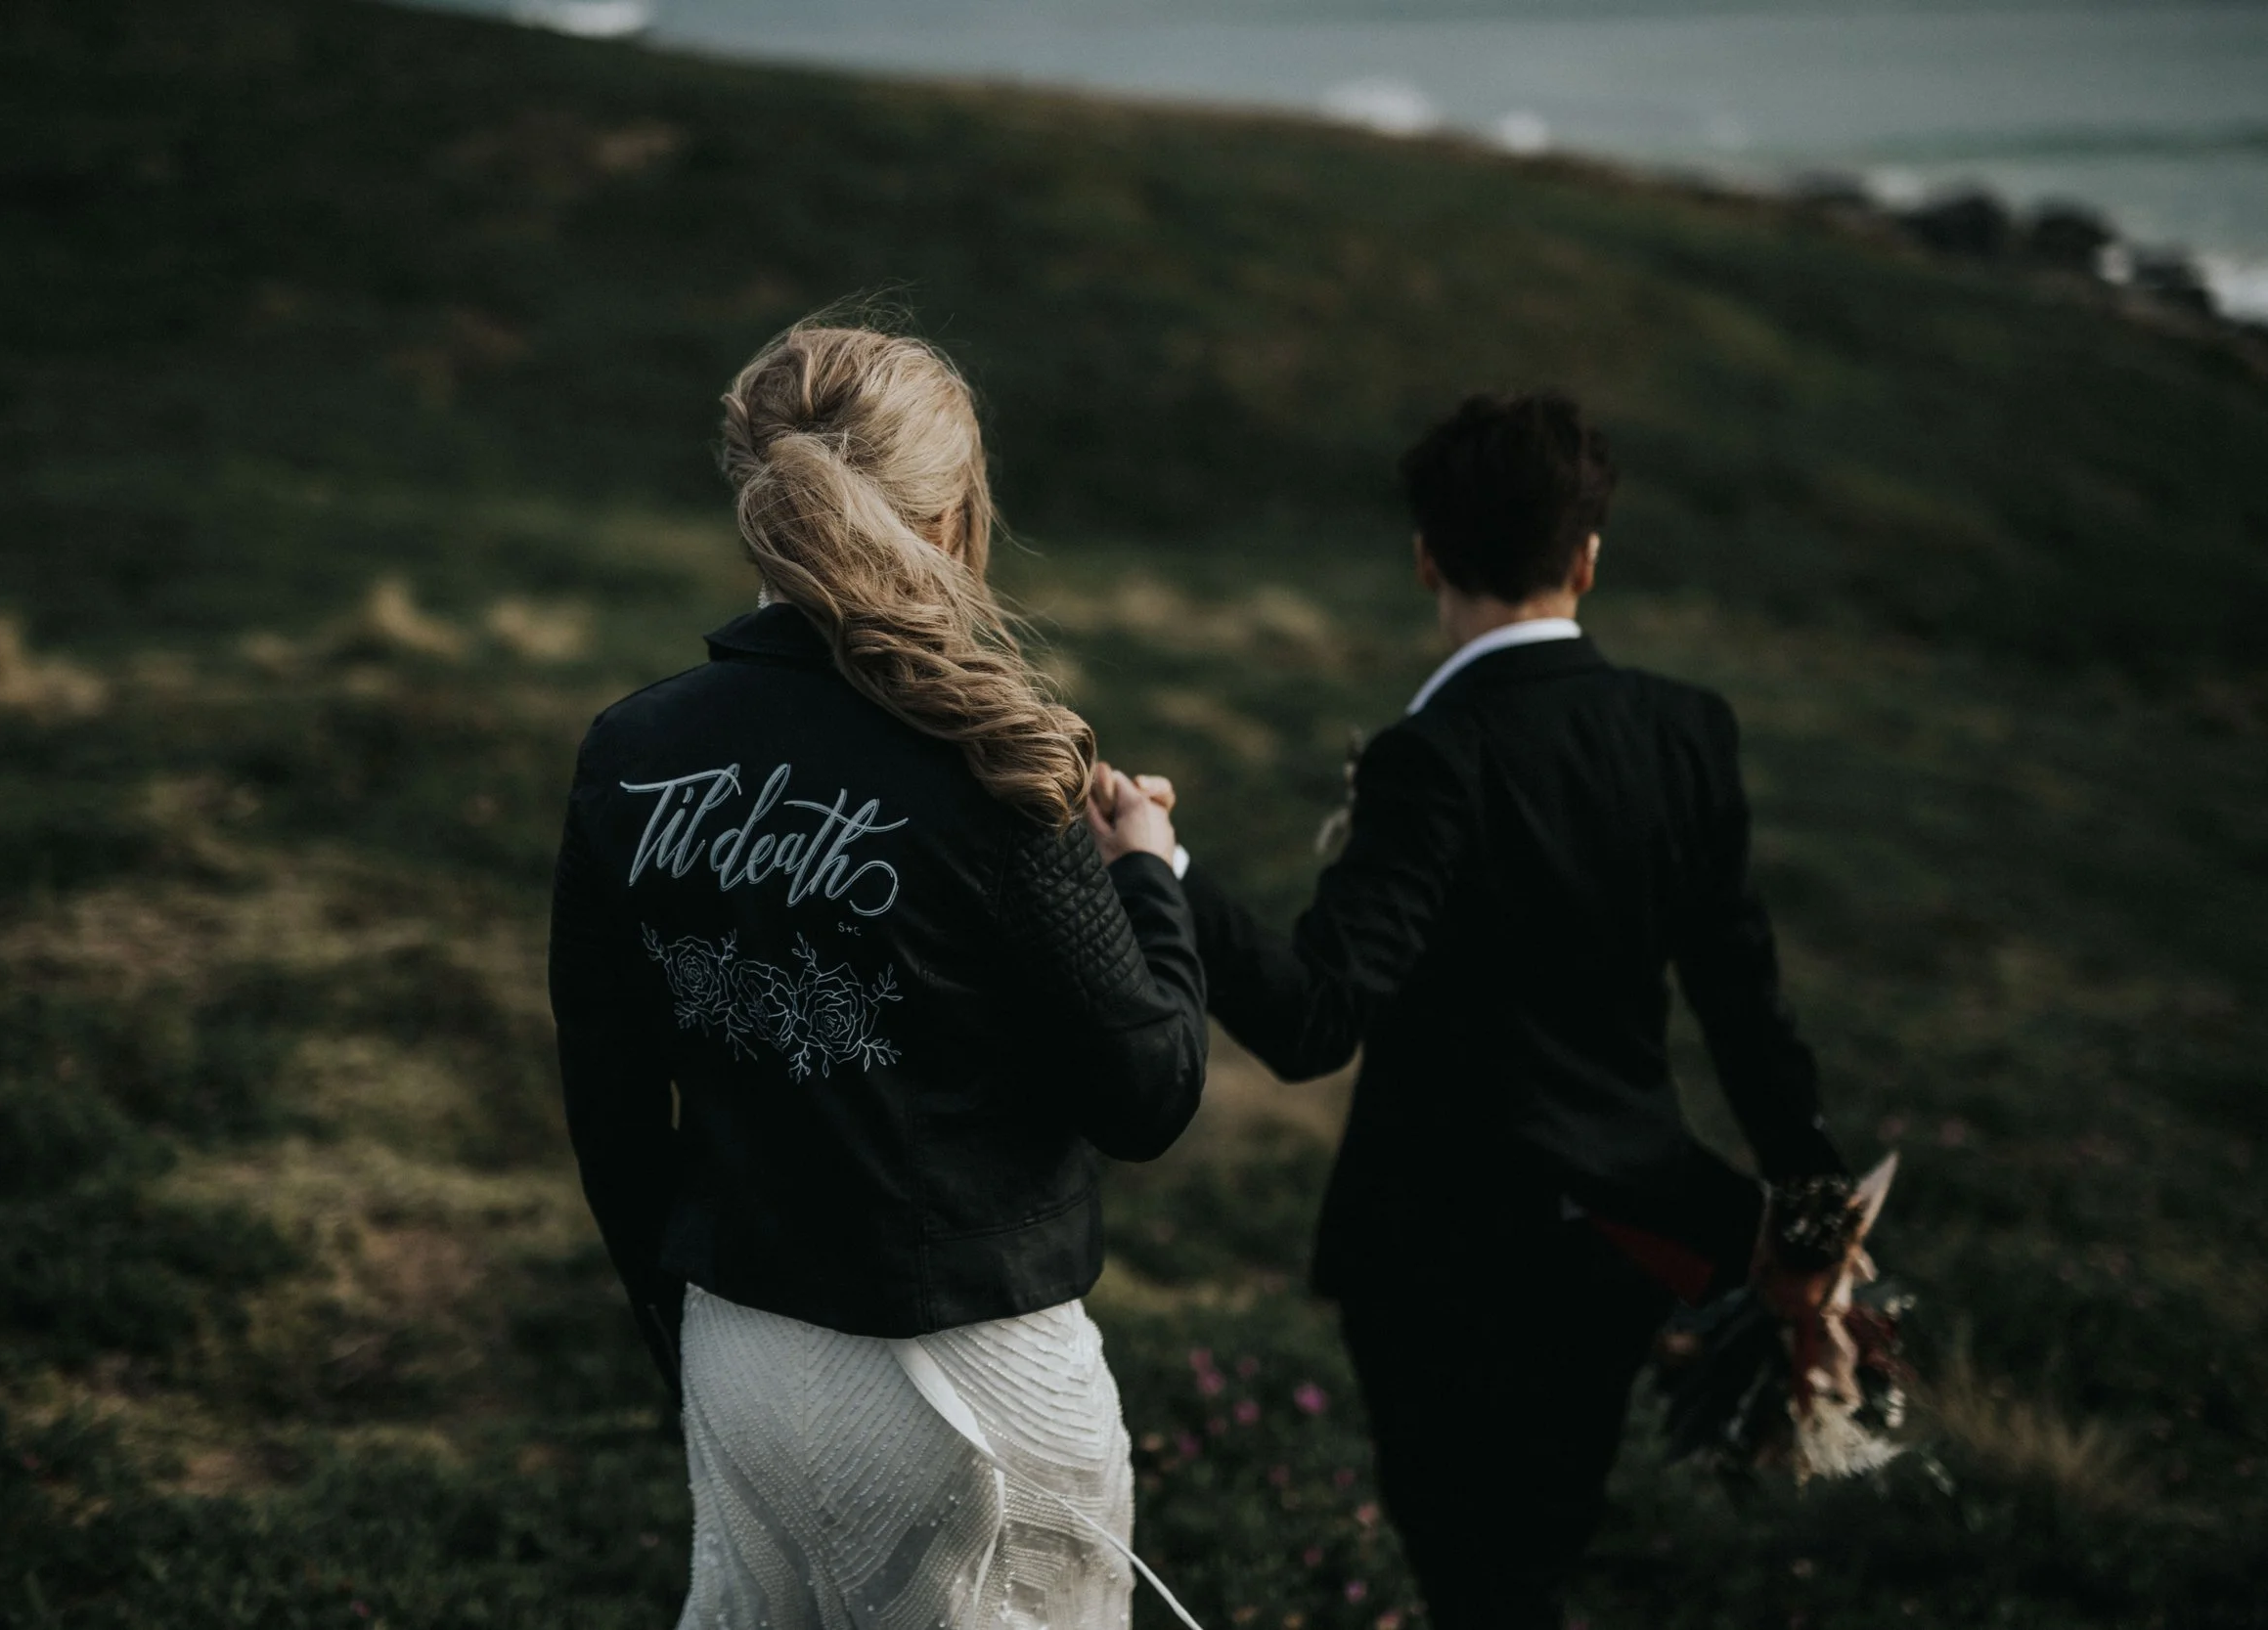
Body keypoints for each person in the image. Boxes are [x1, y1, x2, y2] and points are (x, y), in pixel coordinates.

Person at [1094, 393, 1846, 1628]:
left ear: (1426, 557)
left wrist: (1157, 867)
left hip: (1442, 1264)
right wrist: (1811, 1202)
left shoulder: (1434, 756)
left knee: (1475, 1581)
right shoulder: (1685, 732)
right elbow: (1744, 1001)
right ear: (1588, 557)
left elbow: (1313, 1017)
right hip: (1624, 1242)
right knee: (1531, 1563)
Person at [549, 323, 1206, 1630]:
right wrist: (1149, 878)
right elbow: (1150, 1089)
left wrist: (686, 1334)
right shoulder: (996, 760)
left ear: (759, 494)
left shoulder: (631, 747)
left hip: (737, 1337)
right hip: (973, 1368)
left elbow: (611, 1102)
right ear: (954, 511)